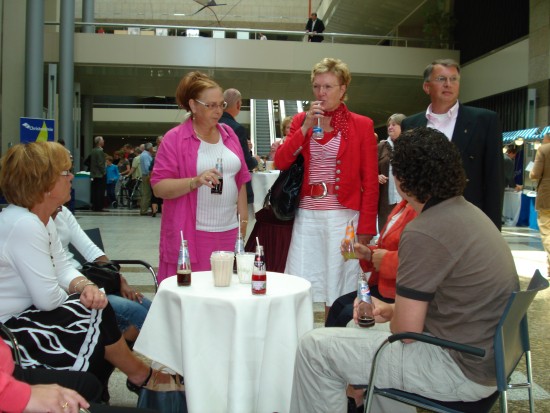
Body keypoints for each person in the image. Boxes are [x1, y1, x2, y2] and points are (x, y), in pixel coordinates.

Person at [289, 127, 519, 413]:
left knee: (314, 348)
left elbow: (407, 333)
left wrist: (397, 315)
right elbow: (452, 304)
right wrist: (394, 310)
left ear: (401, 180)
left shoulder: (425, 230)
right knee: (357, 327)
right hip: (485, 360)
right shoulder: (469, 214)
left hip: (457, 368)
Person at [0, 142, 171, 401]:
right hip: (11, 330)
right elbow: (47, 299)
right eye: (65, 173)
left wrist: (85, 287)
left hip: (27, 316)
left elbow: (64, 266)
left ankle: (133, 379)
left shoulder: (39, 219)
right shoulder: (25, 224)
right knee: (96, 311)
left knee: (97, 308)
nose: (72, 178)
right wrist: (86, 295)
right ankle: (140, 376)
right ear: (44, 183)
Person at [274, 57, 379, 318]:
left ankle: (333, 333)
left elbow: (370, 180)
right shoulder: (301, 120)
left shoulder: (361, 125)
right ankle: (300, 337)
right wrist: (306, 127)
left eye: (328, 86)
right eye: (317, 86)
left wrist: (366, 229)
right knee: (301, 281)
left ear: (343, 89)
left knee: (338, 284)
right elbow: (281, 160)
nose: (321, 93)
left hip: (342, 217)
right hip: (308, 214)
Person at [151, 71, 251, 283]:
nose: (218, 111)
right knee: (195, 295)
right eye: (211, 105)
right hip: (193, 233)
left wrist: (243, 220)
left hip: (228, 231)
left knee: (225, 291)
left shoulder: (229, 134)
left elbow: (240, 178)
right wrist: (194, 181)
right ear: (194, 105)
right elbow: (159, 187)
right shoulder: (175, 139)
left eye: (221, 105)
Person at [401, 58, 504, 230]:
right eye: (441, 79)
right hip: (421, 218)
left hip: (468, 219)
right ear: (427, 87)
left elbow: (494, 179)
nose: (448, 84)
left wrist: (492, 228)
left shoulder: (484, 121)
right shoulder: (410, 124)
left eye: (453, 79)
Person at [53, 205, 152, 345]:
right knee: (136, 315)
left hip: (86, 279)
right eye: (66, 181)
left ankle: (109, 350)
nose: (70, 184)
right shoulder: (33, 222)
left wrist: (119, 279)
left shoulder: (62, 212)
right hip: (70, 290)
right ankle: (105, 353)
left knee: (148, 307)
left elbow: (91, 250)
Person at [325, 199, 417, 328]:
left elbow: (420, 261)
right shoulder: (403, 206)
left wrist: (385, 260)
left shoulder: (420, 212)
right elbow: (387, 248)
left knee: (347, 313)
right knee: (339, 305)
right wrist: (368, 253)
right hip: (384, 286)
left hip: (402, 291)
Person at [0, 339, 156, 413]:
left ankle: (141, 375)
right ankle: (142, 376)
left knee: (89, 384)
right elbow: (46, 299)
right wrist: (16, 394)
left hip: (8, 368)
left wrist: (83, 284)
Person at [219, 88, 259, 219]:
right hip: (234, 185)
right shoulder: (237, 129)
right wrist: (256, 160)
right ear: (238, 104)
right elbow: (245, 162)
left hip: (214, 179)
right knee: (237, 226)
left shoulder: (214, 124)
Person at [377, 113, 406, 230]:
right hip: (386, 201)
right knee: (387, 231)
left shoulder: (411, 146)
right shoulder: (381, 147)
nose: (390, 127)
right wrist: (376, 176)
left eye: (394, 124)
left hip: (407, 200)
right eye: (388, 125)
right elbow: (368, 169)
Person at [529, 133, 550, 276]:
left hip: (547, 196)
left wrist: (531, 173)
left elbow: (535, 174)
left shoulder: (544, 149)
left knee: (546, 230)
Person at [90, 136, 106, 212]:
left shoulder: (93, 150)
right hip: (99, 174)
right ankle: (99, 207)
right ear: (99, 142)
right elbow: (100, 163)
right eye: (102, 140)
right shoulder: (100, 151)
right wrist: (104, 172)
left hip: (94, 174)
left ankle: (95, 206)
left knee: (95, 191)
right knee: (100, 191)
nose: (103, 141)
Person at [139, 143, 154, 216]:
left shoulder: (145, 154)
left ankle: (144, 210)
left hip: (146, 175)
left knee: (146, 193)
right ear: (150, 148)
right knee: (146, 194)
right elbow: (147, 167)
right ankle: (144, 211)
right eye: (152, 147)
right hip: (147, 176)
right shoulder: (145, 155)